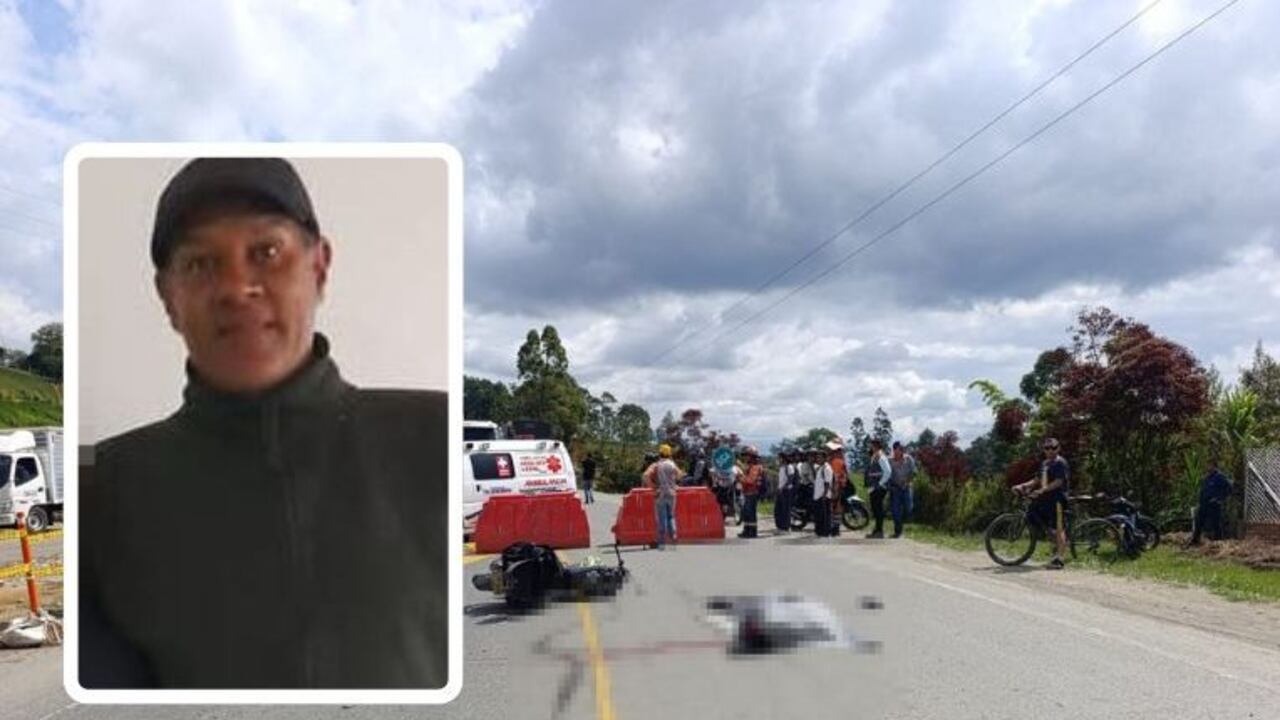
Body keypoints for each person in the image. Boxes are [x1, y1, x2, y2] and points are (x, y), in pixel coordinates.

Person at [79, 158, 448, 689]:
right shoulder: (102, 490)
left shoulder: (435, 440)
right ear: (167, 297)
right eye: (201, 263)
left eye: (266, 252)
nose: (236, 287)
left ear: (319, 267)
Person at [1013, 438, 1071, 569]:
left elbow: (1058, 482)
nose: (1050, 451)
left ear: (1058, 448)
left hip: (1057, 498)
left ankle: (1059, 559)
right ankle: (1054, 544)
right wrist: (1023, 485)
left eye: (1053, 448)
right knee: (1035, 516)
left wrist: (1043, 489)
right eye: (1047, 448)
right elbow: (1037, 479)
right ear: (1044, 450)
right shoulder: (1045, 463)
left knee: (1058, 528)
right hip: (1045, 499)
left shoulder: (1060, 463)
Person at [1189, 459, 1232, 545]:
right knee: (1198, 522)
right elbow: (1203, 491)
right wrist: (1200, 502)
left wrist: (1219, 498)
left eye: (1210, 465)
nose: (1208, 467)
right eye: (1207, 465)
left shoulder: (1220, 477)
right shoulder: (1207, 478)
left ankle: (1218, 542)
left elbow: (1229, 488)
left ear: (1214, 466)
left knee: (1216, 524)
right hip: (1204, 504)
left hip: (1214, 504)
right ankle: (1195, 540)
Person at [654, 444, 682, 549]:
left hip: (662, 492)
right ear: (669, 454)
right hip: (672, 492)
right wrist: (674, 483)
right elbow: (679, 474)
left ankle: (661, 541)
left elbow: (654, 477)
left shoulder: (659, 464)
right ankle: (673, 536)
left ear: (660, 453)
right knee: (671, 515)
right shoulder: (672, 464)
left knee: (662, 516)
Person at [865, 439, 892, 538]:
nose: (871, 447)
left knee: (878, 508)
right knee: (875, 509)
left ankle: (879, 531)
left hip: (879, 487)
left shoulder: (881, 457)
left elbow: (888, 472)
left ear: (876, 446)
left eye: (872, 445)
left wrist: (880, 483)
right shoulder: (875, 456)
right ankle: (877, 530)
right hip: (875, 487)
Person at [889, 441, 917, 538]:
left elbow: (914, 472)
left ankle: (905, 521)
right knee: (896, 510)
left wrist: (907, 481)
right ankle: (898, 531)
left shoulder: (909, 459)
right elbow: (887, 474)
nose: (900, 451)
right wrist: (890, 485)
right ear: (894, 450)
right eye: (897, 449)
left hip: (906, 487)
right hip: (895, 488)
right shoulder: (890, 461)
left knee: (908, 507)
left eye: (901, 449)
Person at [739, 446, 763, 538]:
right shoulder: (750, 467)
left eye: (747, 455)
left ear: (752, 456)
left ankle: (752, 531)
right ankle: (747, 530)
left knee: (750, 512)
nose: (745, 457)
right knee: (747, 512)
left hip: (752, 493)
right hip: (748, 492)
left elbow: (750, 480)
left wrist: (740, 477)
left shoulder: (755, 467)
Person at [774, 450, 797, 534]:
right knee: (778, 510)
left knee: (785, 510)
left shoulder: (789, 467)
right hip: (780, 490)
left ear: (783, 458)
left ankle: (786, 528)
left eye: (779, 458)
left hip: (786, 491)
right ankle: (780, 527)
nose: (778, 459)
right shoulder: (782, 467)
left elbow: (790, 479)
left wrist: (783, 487)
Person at [827, 441, 847, 537]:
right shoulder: (840, 461)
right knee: (837, 509)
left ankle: (834, 529)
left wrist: (834, 489)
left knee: (834, 509)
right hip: (840, 487)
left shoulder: (836, 462)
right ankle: (836, 528)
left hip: (835, 488)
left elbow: (835, 476)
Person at [813, 448, 835, 537]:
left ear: (825, 458)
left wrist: (824, 495)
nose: (818, 459)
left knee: (825, 516)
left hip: (823, 496)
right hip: (818, 495)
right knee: (819, 515)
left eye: (820, 457)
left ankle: (826, 532)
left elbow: (827, 482)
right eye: (818, 457)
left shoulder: (827, 468)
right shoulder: (820, 468)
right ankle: (819, 531)